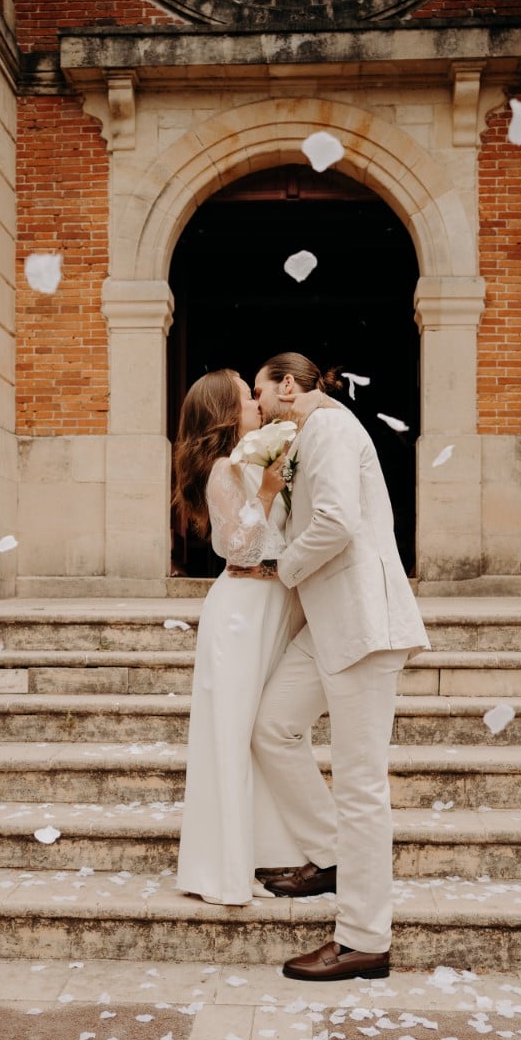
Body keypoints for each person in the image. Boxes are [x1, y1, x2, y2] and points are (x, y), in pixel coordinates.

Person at [248, 352, 431, 981]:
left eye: (261, 392)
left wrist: (281, 568)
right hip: (328, 626)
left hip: (363, 622)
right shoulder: (311, 434)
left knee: (360, 784)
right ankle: (329, 856)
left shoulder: (328, 428)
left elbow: (335, 523)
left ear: (289, 387)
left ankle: (363, 939)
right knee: (272, 726)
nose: (258, 405)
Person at [173, 368, 306, 906]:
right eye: (246, 398)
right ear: (227, 412)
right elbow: (239, 547)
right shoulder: (224, 468)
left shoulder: (243, 461)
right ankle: (224, 870)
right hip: (240, 612)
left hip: (263, 607)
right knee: (229, 735)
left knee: (253, 732)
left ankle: (260, 853)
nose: (257, 404)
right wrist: (271, 492)